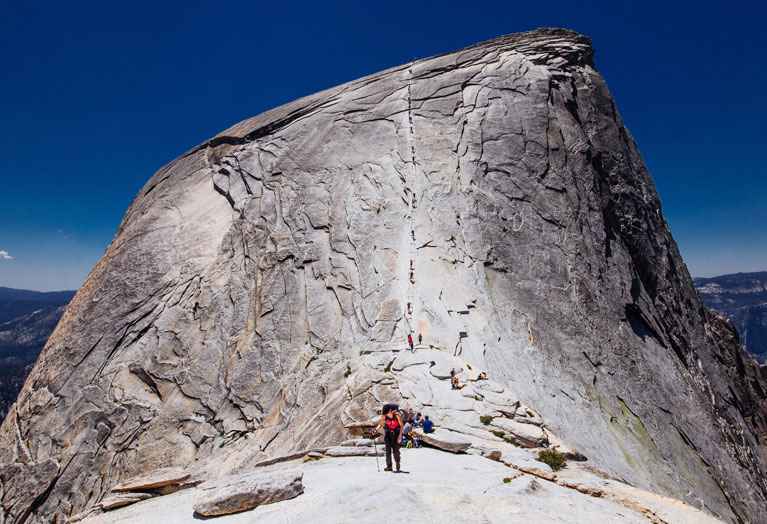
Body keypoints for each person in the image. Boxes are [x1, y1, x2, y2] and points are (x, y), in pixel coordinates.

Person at [374, 404, 403, 471]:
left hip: (396, 433)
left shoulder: (397, 415)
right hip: (388, 433)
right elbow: (381, 424)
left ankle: (397, 462)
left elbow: (401, 425)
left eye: (387, 413)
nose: (386, 414)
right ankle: (389, 466)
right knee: (388, 450)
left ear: (390, 410)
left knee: (396, 450)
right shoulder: (385, 415)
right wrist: (375, 430)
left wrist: (400, 436)